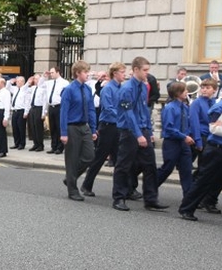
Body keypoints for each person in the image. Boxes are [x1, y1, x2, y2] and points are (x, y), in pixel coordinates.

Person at [179, 77, 222, 225]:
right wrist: (216, 123)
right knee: (204, 180)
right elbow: (213, 117)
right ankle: (186, 208)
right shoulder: (221, 105)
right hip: (216, 150)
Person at [112, 56, 168, 212]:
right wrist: (138, 135)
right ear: (135, 70)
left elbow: (144, 110)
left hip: (142, 129)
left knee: (150, 165)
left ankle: (150, 199)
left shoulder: (144, 87)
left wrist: (148, 131)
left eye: (148, 70)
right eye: (145, 70)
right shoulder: (126, 88)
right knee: (123, 165)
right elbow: (128, 113)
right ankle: (119, 198)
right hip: (129, 131)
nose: (147, 73)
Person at [81, 62, 125, 196]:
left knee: (120, 160)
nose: (124, 74)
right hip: (108, 127)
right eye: (122, 72)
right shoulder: (108, 89)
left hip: (118, 127)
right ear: (115, 73)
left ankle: (126, 188)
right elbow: (108, 108)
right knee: (100, 157)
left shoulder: (121, 88)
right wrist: (123, 117)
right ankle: (86, 185)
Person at [59, 60, 97, 201]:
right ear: (77, 73)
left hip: (84, 126)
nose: (88, 74)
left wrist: (93, 129)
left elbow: (91, 109)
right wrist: (63, 133)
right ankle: (72, 190)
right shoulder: (69, 90)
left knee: (90, 156)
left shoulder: (87, 89)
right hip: (71, 127)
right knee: (72, 159)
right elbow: (63, 112)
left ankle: (70, 178)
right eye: (86, 72)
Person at [156, 82, 194, 196]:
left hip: (183, 142)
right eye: (184, 90)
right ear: (178, 93)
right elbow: (169, 128)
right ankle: (151, 186)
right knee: (167, 168)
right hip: (172, 142)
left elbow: (187, 125)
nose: (187, 92)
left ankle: (188, 196)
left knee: (187, 170)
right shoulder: (170, 108)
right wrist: (184, 136)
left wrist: (189, 136)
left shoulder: (185, 107)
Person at [189, 78, 218, 168]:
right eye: (203, 87)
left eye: (208, 88)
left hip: (211, 136)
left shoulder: (215, 102)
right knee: (203, 164)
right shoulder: (197, 103)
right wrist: (198, 141)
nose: (204, 90)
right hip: (202, 136)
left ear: (214, 90)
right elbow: (194, 122)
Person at [43, 67, 68, 155]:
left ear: (58, 72)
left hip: (59, 106)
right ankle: (53, 146)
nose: (51, 74)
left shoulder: (64, 83)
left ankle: (60, 147)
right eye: (50, 73)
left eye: (52, 72)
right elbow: (40, 85)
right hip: (51, 106)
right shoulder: (49, 82)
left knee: (59, 127)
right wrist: (44, 76)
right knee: (52, 128)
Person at [7, 76, 33, 150]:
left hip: (21, 110)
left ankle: (22, 144)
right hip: (15, 110)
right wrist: (10, 81)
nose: (17, 82)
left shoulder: (25, 90)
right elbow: (8, 87)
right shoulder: (15, 89)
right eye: (17, 81)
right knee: (15, 127)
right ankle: (16, 143)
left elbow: (27, 102)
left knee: (21, 128)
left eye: (19, 81)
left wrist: (26, 112)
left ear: (22, 82)